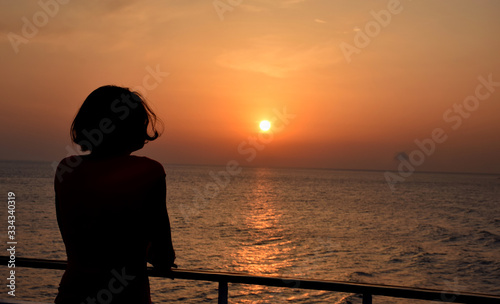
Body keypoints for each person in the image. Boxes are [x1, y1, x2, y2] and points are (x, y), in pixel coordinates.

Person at [54, 85, 176, 304]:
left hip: (72, 296)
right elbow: (164, 254)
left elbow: (74, 234)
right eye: (141, 121)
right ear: (129, 126)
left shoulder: (66, 169)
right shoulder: (149, 172)